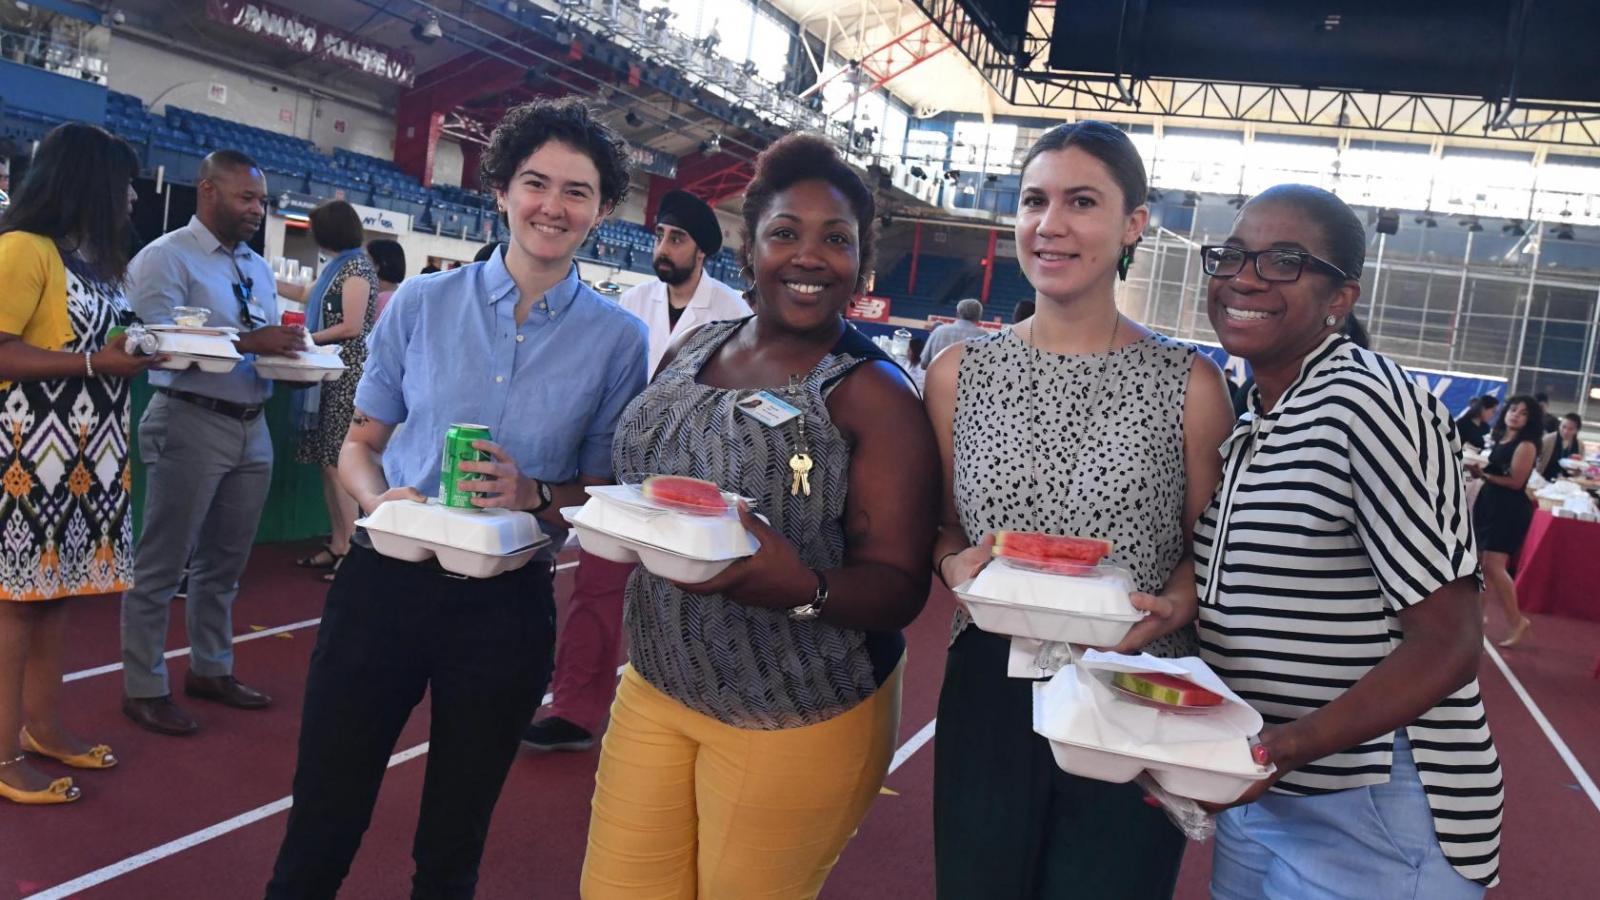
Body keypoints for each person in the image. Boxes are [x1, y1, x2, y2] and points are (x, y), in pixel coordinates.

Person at [264, 97, 648, 899]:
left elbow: (603, 487)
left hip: (504, 607)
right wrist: (380, 502)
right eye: (535, 183)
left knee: (454, 839)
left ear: (603, 211)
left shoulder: (618, 339)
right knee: (323, 817)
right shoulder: (422, 305)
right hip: (385, 586)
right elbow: (360, 446)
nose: (553, 206)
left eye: (576, 191)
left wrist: (535, 491)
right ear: (501, 189)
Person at [579, 133, 939, 898]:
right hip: (657, 682)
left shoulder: (874, 393)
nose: (809, 256)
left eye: (835, 239)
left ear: (860, 264)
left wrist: (801, 586)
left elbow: (901, 587)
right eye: (786, 233)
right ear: (750, 250)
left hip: (792, 711)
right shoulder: (696, 345)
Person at [926, 121, 1234, 899]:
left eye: (1082, 202)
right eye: (1034, 200)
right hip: (990, 684)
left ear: (1134, 224)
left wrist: (1171, 608)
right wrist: (950, 560)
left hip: (1130, 689)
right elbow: (946, 527)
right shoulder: (958, 374)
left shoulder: (1190, 385)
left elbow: (1214, 550)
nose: (1049, 224)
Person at [1193, 184, 1501, 898]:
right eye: (1232, 255)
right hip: (1270, 795)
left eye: (1283, 261)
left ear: (1342, 298)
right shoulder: (1265, 416)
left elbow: (1450, 643)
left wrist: (1278, 749)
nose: (1243, 277)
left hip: (1378, 808)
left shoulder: (1369, 403)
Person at [522, 189, 751, 754]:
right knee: (595, 590)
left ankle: (699, 715)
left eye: (676, 238)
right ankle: (574, 710)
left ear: (702, 251)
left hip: (697, 479)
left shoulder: (734, 313)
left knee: (692, 598)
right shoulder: (632, 300)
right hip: (621, 472)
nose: (663, 247)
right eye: (660, 236)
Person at [0, 124, 165, 805]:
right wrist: (99, 360)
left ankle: (43, 727)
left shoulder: (94, 262)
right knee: (12, 608)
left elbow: (94, 340)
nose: (131, 197)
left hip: (87, 458)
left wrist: (134, 345)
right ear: (89, 182)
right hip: (25, 456)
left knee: (55, 596)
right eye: (123, 183)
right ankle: (3, 755)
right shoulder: (22, 250)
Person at [120, 150, 306, 737]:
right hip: (189, 418)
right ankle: (144, 685)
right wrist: (255, 342)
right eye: (246, 198)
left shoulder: (254, 265)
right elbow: (162, 343)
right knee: (162, 564)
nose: (258, 210)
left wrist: (292, 353)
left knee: (225, 565)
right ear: (208, 191)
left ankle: (211, 668)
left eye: (262, 200)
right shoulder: (164, 257)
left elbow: (263, 339)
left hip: (253, 421)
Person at [278, 200, 377, 583]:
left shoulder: (355, 267)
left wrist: (303, 338)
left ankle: (352, 548)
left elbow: (351, 326)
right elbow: (308, 293)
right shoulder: (338, 267)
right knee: (327, 461)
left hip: (345, 372)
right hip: (330, 370)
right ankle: (339, 542)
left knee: (338, 462)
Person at [1469, 394, 1542, 649]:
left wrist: (1484, 475)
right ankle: (1477, 618)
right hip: (1490, 503)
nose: (1515, 415)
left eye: (1523, 413)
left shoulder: (1526, 445)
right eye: (1513, 410)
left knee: (1494, 567)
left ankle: (1517, 620)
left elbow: (1516, 482)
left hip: (1509, 509)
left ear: (1530, 419)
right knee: (1480, 564)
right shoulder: (1502, 437)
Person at [920, 297, 986, 367]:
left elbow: (924, 363)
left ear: (957, 313)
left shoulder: (939, 331)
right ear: (979, 317)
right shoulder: (985, 337)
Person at [365, 238, 405, 321]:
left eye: (367, 260)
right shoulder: (403, 296)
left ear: (379, 265)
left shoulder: (379, 301)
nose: (361, 265)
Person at [1538, 412, 1583, 481]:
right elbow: (1537, 459)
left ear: (1577, 430)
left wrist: (1577, 471)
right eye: (1563, 427)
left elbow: (1579, 468)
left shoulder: (1579, 445)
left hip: (1567, 483)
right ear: (1559, 425)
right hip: (1544, 480)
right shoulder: (1548, 440)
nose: (1565, 431)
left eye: (1571, 429)